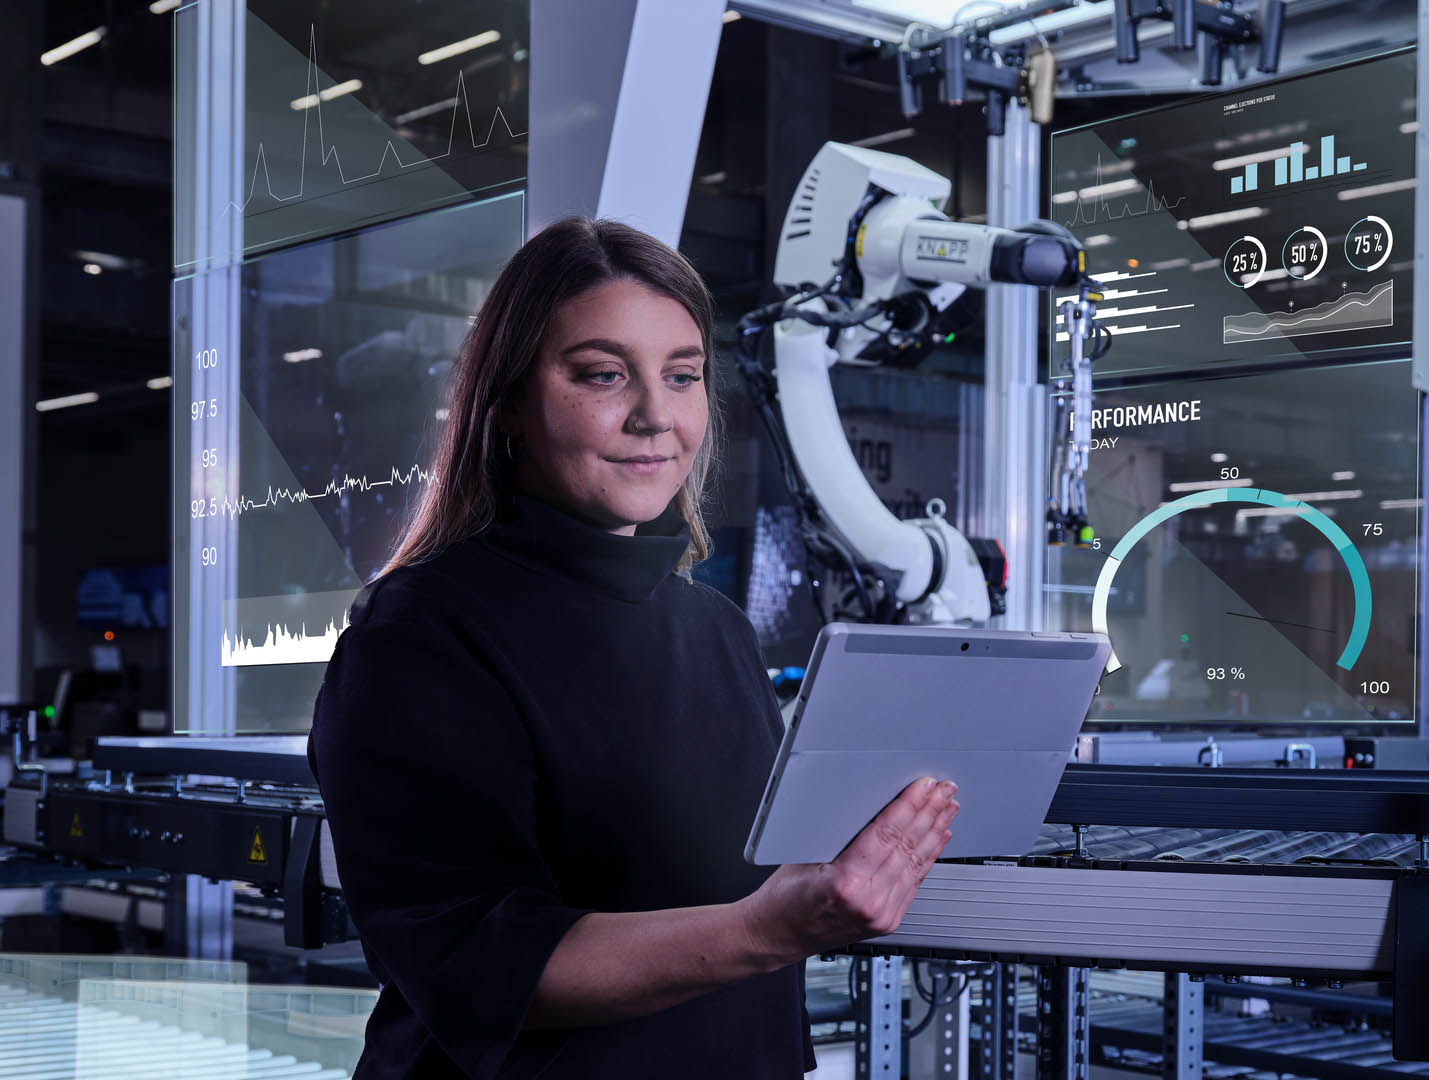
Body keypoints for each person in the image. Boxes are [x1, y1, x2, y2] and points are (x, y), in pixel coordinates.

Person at [309, 217, 959, 1079]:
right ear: (506, 404)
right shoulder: (421, 636)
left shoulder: (716, 628)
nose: (656, 415)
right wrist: (769, 930)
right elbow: (483, 961)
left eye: (682, 376)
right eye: (603, 375)